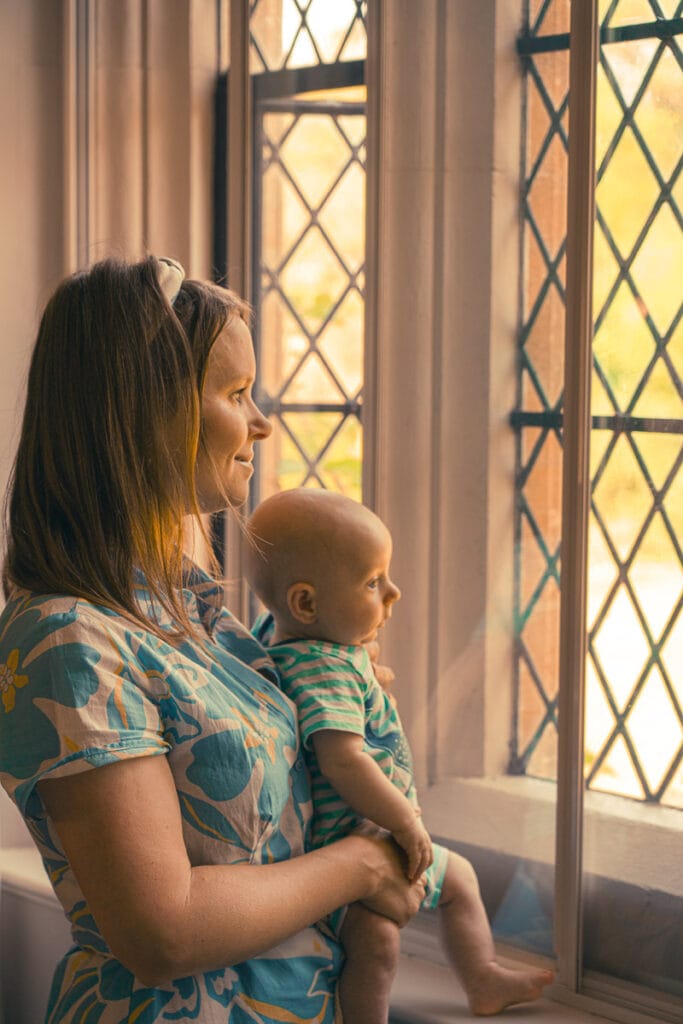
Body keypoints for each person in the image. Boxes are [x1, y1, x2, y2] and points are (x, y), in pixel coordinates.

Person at [0, 256, 425, 1024]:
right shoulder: (68, 643)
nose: (260, 421)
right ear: (143, 414)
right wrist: (362, 865)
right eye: (235, 394)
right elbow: (163, 931)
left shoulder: (200, 620)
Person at [244, 488, 555, 1021]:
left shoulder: (289, 639)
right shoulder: (325, 668)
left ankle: (482, 978)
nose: (395, 591)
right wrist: (407, 821)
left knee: (459, 882)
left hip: (370, 840)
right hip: (353, 844)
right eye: (372, 582)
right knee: (378, 945)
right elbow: (344, 761)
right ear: (306, 603)